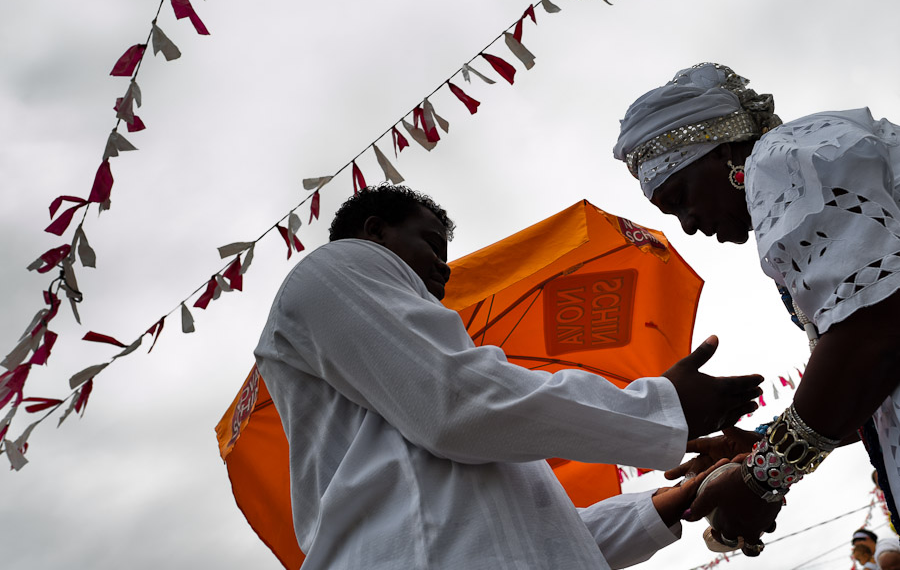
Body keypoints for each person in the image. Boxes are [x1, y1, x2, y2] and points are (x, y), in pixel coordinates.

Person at [253, 184, 763, 569]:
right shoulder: (338, 266)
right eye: (430, 243)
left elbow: (548, 540)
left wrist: (689, 492)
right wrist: (662, 405)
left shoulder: (464, 417)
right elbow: (458, 405)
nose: (443, 268)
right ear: (374, 231)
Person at [613, 62, 900, 557]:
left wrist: (763, 475)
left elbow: (874, 332)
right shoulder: (797, 168)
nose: (690, 225)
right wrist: (763, 443)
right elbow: (878, 374)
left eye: (680, 198)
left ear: (722, 148)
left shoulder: (782, 160)